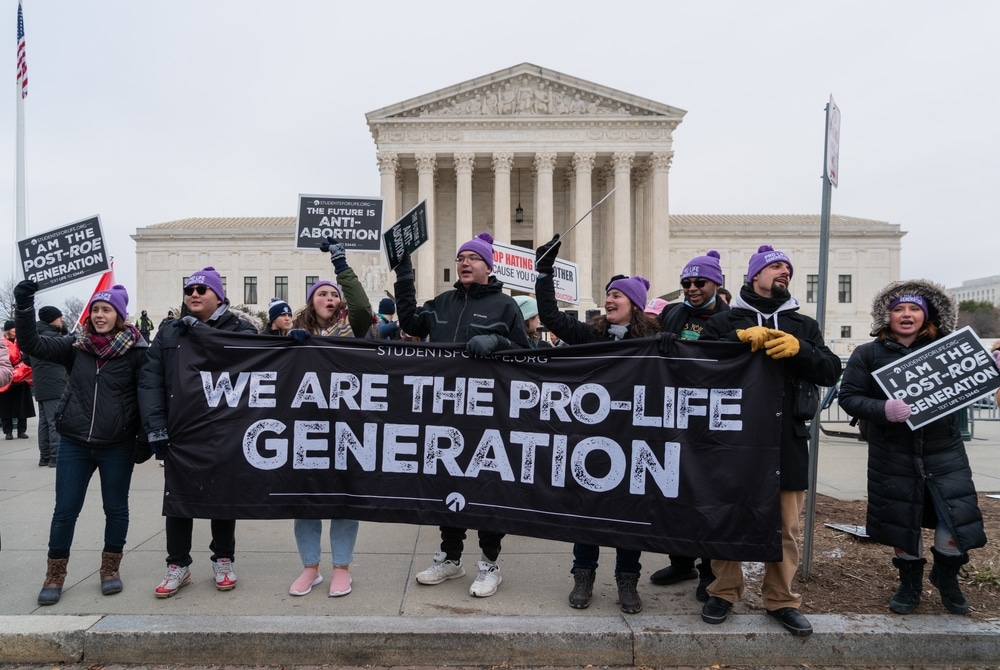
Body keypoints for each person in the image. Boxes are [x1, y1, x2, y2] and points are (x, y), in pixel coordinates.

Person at [698, 244, 841, 637]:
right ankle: (724, 591)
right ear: (754, 275)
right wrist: (736, 340)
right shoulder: (723, 320)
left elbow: (830, 370)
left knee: (786, 526)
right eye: (775, 266)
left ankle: (781, 599)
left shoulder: (803, 325)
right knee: (728, 516)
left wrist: (801, 349)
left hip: (787, 439)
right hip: (731, 438)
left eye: (787, 268)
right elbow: (698, 368)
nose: (784, 272)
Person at [394, 231, 531, 598]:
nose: (464, 263)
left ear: (489, 266)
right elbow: (409, 322)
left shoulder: (506, 306)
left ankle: (489, 563)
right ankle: (451, 558)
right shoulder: (442, 302)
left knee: (486, 486)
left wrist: (499, 343)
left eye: (472, 258)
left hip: (487, 416)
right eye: (460, 258)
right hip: (444, 412)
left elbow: (527, 354)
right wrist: (404, 274)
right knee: (447, 485)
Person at [837, 281, 986, 616]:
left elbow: (974, 377)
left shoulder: (948, 347)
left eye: (914, 309)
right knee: (902, 522)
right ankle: (909, 583)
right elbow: (849, 397)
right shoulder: (868, 353)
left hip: (944, 452)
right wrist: (883, 410)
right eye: (899, 309)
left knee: (954, 520)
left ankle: (946, 577)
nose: (906, 315)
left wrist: (991, 367)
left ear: (927, 314)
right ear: (886, 316)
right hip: (893, 453)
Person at [535, 235, 659, 613]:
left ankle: (627, 581)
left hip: (635, 440)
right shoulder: (591, 333)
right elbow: (554, 318)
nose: (608, 299)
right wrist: (544, 273)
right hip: (592, 439)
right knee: (587, 511)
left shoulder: (655, 340)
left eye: (616, 296)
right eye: (607, 295)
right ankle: (583, 576)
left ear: (634, 305)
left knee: (629, 515)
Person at [14, 279, 150, 605]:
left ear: (119, 315)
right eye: (96, 310)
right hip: (74, 442)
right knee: (65, 510)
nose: (100, 315)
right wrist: (24, 306)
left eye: (107, 310)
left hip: (117, 444)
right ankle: (55, 574)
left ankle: (110, 569)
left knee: (116, 509)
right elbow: (32, 342)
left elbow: (148, 398)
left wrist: (144, 441)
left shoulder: (138, 353)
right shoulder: (75, 346)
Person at [139, 266, 258, 598]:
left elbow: (257, 360)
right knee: (179, 498)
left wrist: (205, 334)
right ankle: (178, 564)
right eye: (189, 289)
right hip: (180, 429)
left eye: (201, 290)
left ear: (218, 296)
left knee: (222, 497)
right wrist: (156, 427)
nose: (193, 294)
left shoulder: (239, 327)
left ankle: (223, 559)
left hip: (223, 428)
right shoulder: (170, 332)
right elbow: (150, 380)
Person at [286, 240, 372, 598]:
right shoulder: (293, 336)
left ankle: (341, 568)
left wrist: (340, 264)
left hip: (346, 426)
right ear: (311, 302)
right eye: (322, 294)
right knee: (305, 499)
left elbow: (363, 307)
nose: (329, 298)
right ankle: (310, 568)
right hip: (305, 429)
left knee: (342, 497)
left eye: (334, 295)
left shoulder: (354, 330)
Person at [649, 251, 730, 600]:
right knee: (674, 493)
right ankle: (680, 561)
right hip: (674, 414)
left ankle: (708, 572)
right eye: (686, 283)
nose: (692, 289)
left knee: (706, 497)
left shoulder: (732, 318)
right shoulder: (673, 313)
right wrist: (662, 344)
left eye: (700, 283)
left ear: (717, 283)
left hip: (711, 418)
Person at [25, 306, 69, 467]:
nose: (62, 320)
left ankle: (44, 456)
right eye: (59, 317)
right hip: (55, 383)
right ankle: (55, 456)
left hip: (41, 384)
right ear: (52, 319)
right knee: (54, 421)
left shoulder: (34, 337)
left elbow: (26, 360)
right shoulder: (55, 338)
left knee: (44, 422)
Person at [0, 320, 34, 440]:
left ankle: (21, 431)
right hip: (7, 378)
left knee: (22, 407)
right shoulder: (3, 342)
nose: (16, 330)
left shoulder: (22, 342)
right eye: (14, 328)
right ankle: (8, 431)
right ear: (8, 330)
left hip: (21, 377)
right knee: (5, 407)